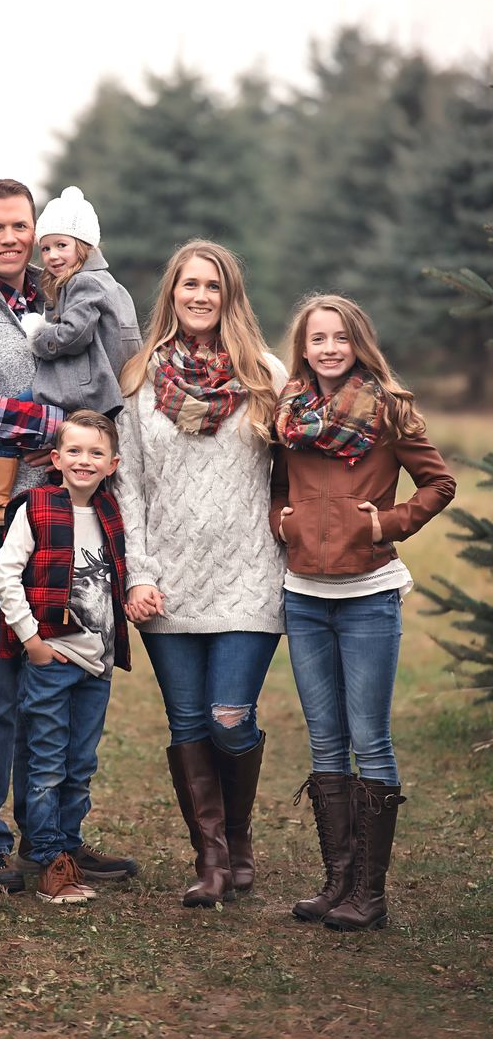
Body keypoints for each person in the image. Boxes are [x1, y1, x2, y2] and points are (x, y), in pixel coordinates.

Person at [0, 179, 135, 893]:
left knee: (64, 678)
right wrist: (60, 430)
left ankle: (54, 840)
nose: (11, 238)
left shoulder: (60, 298)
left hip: (69, 518)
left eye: (22, 225)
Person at [270, 293, 456, 932]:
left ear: (358, 345)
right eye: (317, 338)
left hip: (368, 595)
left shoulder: (390, 411)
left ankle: (369, 895)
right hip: (304, 594)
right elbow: (274, 487)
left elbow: (439, 483)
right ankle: (337, 883)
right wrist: (281, 521)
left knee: (368, 737)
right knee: (324, 738)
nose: (328, 348)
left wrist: (388, 522)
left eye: (340, 338)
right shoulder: (287, 413)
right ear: (304, 347)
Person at [114, 240, 287, 908]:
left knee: (227, 716)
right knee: (187, 722)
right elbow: (127, 485)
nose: (200, 296)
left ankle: (238, 841)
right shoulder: (138, 382)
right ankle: (213, 862)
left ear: (229, 296)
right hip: (168, 579)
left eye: (213, 286)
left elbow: (295, 469)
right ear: (173, 293)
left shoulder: (264, 376)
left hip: (248, 573)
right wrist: (137, 573)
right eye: (189, 284)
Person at [0, 411, 131, 903]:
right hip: (52, 657)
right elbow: (5, 576)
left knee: (80, 761)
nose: (84, 461)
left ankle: (67, 844)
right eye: (74, 451)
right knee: (48, 760)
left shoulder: (111, 513)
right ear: (55, 459)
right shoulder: (37, 507)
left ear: (112, 463)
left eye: (96, 453)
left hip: (98, 663)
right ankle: (51, 858)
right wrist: (31, 640)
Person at [0, 185, 142, 512]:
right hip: (102, 387)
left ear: (85, 246)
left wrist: (39, 334)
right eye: (46, 248)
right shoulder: (108, 283)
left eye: (61, 246)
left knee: (11, 420)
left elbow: (74, 334)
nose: (53, 256)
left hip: (86, 388)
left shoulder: (84, 282)